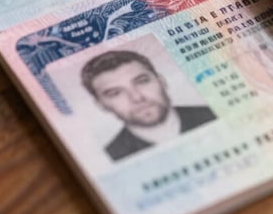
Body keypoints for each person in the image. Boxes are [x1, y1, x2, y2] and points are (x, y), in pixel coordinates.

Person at [80, 49, 216, 161]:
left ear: (161, 81)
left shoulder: (214, 114)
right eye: (115, 93)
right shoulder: (112, 156)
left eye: (142, 81)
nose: (137, 97)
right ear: (101, 105)